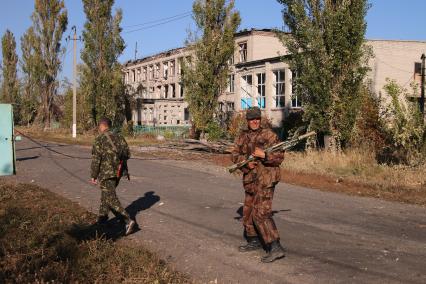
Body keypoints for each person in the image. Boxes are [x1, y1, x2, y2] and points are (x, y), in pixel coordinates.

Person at [231, 107, 286, 263]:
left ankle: (275, 247)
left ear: (260, 120)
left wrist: (265, 155)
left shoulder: (269, 135)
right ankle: (253, 240)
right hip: (250, 179)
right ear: (247, 120)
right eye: (251, 119)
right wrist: (244, 163)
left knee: (261, 213)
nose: (254, 121)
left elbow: (280, 157)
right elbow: (234, 154)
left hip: (266, 179)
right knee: (248, 210)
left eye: (257, 118)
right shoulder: (242, 136)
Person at [90, 117, 136, 235]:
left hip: (106, 173)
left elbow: (96, 159)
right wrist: (123, 169)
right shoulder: (119, 137)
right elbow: (127, 154)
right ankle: (102, 221)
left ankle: (127, 220)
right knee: (106, 196)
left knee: (110, 198)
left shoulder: (99, 139)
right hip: (118, 173)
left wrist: (93, 175)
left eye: (99, 127)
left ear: (101, 126)